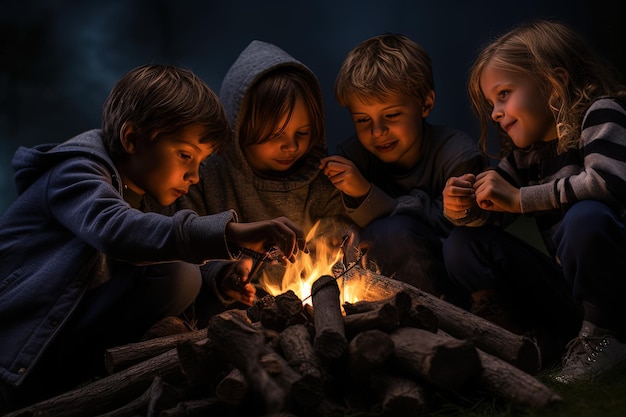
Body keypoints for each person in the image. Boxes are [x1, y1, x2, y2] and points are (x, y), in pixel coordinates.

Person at [0, 64, 306, 411]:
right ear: (132, 139)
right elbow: (118, 231)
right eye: (185, 155)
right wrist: (230, 232)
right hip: (14, 350)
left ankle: (91, 380)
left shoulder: (145, 195)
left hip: (59, 348)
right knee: (179, 272)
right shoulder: (76, 172)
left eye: (201, 163)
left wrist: (221, 275)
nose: (193, 175)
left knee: (180, 273)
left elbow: (157, 243)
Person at [442, 19, 626, 381]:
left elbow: (610, 181)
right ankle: (516, 336)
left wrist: (520, 199)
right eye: (491, 102)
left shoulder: (602, 114)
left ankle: (608, 338)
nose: (495, 112)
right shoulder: (525, 157)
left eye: (504, 94)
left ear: (552, 81)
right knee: (464, 242)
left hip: (616, 286)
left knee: (585, 218)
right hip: (574, 295)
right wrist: (463, 206)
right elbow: (493, 214)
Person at [170, 40, 354, 299]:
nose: (291, 146)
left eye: (303, 132)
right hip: (233, 310)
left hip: (309, 304)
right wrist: (224, 275)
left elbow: (336, 232)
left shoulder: (321, 179)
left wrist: (333, 241)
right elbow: (186, 245)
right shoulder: (207, 177)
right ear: (240, 129)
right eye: (275, 135)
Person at [320, 33, 487, 299]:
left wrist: (366, 195)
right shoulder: (352, 159)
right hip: (379, 284)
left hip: (455, 285)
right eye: (363, 120)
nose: (377, 131)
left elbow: (465, 234)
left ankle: (441, 320)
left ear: (425, 104)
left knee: (391, 232)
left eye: (392, 115)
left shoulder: (457, 155)